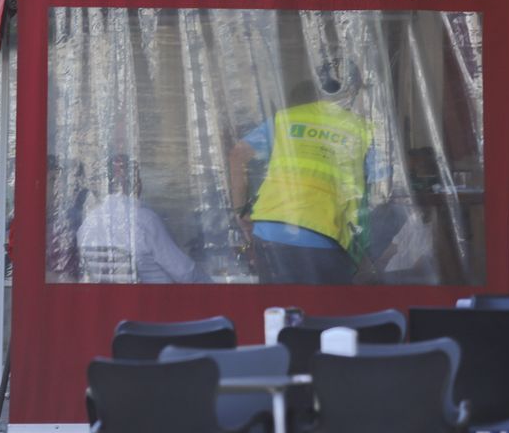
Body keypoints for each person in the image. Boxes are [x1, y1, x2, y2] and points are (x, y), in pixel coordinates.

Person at [227, 60, 391, 285]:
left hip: (270, 232)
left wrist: (240, 209)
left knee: (277, 314)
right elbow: (386, 190)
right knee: (322, 315)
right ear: (353, 91)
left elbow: (237, 154)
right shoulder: (363, 130)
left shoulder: (286, 118)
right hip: (323, 235)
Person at [77, 156, 206, 283]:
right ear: (127, 182)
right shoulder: (144, 220)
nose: (140, 183)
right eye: (136, 178)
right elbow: (185, 273)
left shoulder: (88, 223)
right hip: (155, 300)